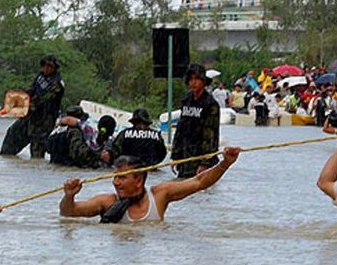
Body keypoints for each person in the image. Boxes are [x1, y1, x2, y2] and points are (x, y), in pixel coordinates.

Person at [59, 147, 240, 223]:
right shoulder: (106, 202)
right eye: (115, 177)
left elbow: (199, 182)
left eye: (121, 177)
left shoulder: (160, 195)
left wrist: (225, 163)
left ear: (138, 180)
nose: (115, 182)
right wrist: (69, 195)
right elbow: (68, 213)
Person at [0, 54, 65, 158]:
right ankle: (5, 157)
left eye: (49, 66)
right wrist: (17, 99)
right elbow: (31, 90)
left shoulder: (57, 84)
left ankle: (36, 169)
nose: (46, 68)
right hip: (31, 116)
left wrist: (25, 105)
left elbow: (43, 99)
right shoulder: (40, 76)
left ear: (54, 68)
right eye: (44, 65)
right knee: (13, 133)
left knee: (37, 146)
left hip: (44, 120)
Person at [171, 64, 220, 178]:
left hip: (201, 160)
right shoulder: (186, 100)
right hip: (185, 157)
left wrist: (205, 162)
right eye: (191, 79)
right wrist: (175, 155)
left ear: (203, 81)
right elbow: (180, 128)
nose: (194, 82)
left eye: (197, 79)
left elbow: (210, 135)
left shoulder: (210, 104)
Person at [48, 106, 116, 168]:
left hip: (54, 166)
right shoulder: (75, 131)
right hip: (69, 167)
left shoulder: (55, 131)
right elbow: (79, 153)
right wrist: (99, 156)